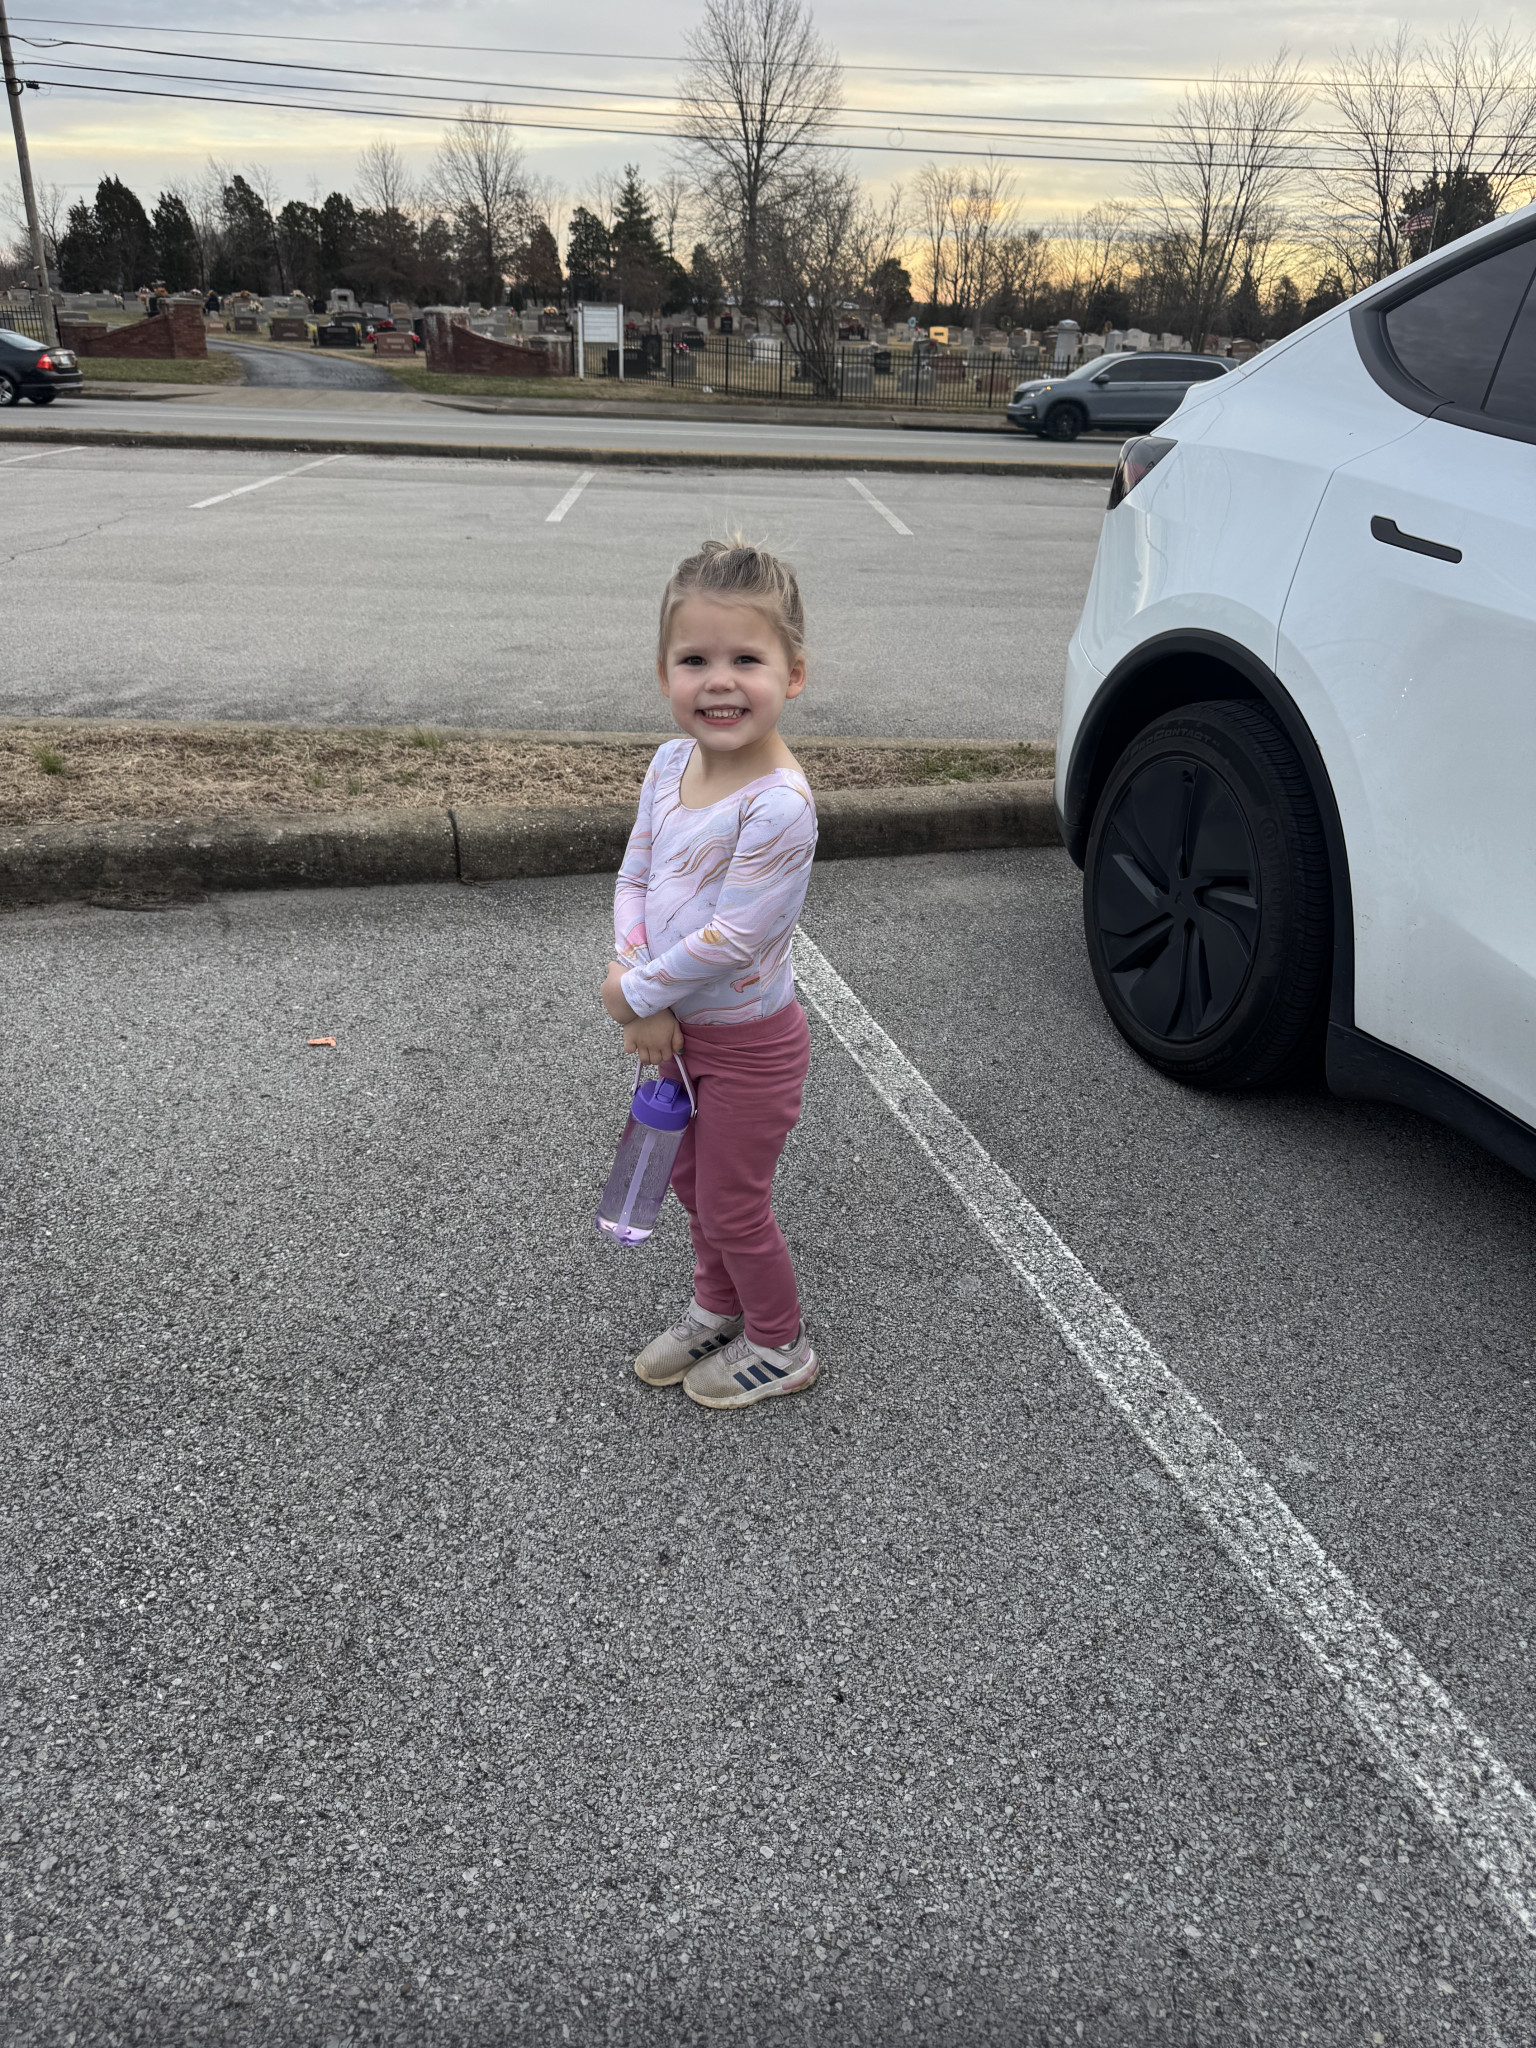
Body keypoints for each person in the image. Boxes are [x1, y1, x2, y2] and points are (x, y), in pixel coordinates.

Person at [600, 539, 819, 1411]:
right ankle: (716, 1307)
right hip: (677, 1036)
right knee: (691, 1184)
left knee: (733, 1203)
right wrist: (636, 984)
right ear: (664, 673)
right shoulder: (668, 765)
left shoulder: (778, 805)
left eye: (746, 661)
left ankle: (780, 1342)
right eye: (695, 660)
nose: (719, 682)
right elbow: (635, 878)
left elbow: (735, 936)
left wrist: (635, 994)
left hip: (752, 1047)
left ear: (792, 674)